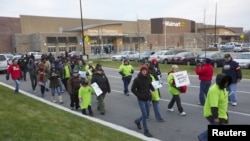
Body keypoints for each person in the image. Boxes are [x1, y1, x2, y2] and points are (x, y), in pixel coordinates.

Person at [198, 73, 232, 141]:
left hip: (221, 113)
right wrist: (215, 117)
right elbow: (214, 106)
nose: (227, 83)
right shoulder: (214, 90)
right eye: (225, 81)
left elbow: (223, 103)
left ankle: (202, 137)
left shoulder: (223, 88)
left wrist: (226, 113)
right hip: (212, 113)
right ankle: (202, 138)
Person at [131, 64, 155, 137]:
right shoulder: (137, 79)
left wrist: (152, 89)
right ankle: (146, 131)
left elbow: (150, 85)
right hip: (141, 99)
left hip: (147, 98)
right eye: (143, 70)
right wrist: (139, 95)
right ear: (141, 71)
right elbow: (132, 89)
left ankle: (137, 121)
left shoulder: (148, 77)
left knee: (147, 114)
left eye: (145, 70)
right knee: (144, 115)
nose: (144, 72)